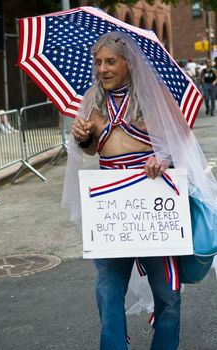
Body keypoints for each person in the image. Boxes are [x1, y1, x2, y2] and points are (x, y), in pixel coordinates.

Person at [62, 32, 217, 350]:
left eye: (110, 61)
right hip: (111, 207)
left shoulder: (152, 94)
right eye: (98, 62)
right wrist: (83, 136)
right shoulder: (93, 99)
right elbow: (93, 150)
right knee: (108, 288)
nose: (102, 69)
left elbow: (179, 142)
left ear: (129, 62)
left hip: (152, 204)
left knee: (166, 291)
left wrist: (161, 157)